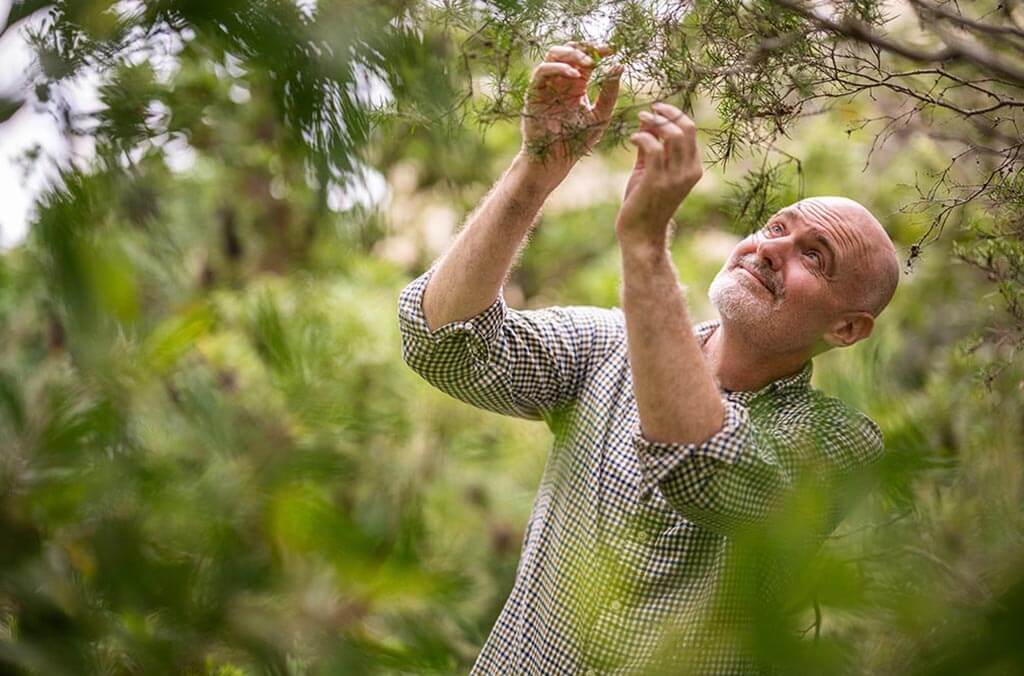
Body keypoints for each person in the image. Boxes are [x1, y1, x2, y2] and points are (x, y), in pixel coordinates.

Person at [397, 42, 899, 675]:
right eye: (776, 228)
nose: (772, 250)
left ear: (848, 328)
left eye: (815, 256)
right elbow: (443, 343)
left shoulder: (842, 445)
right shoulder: (608, 347)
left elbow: (705, 467)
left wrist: (644, 246)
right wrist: (537, 168)